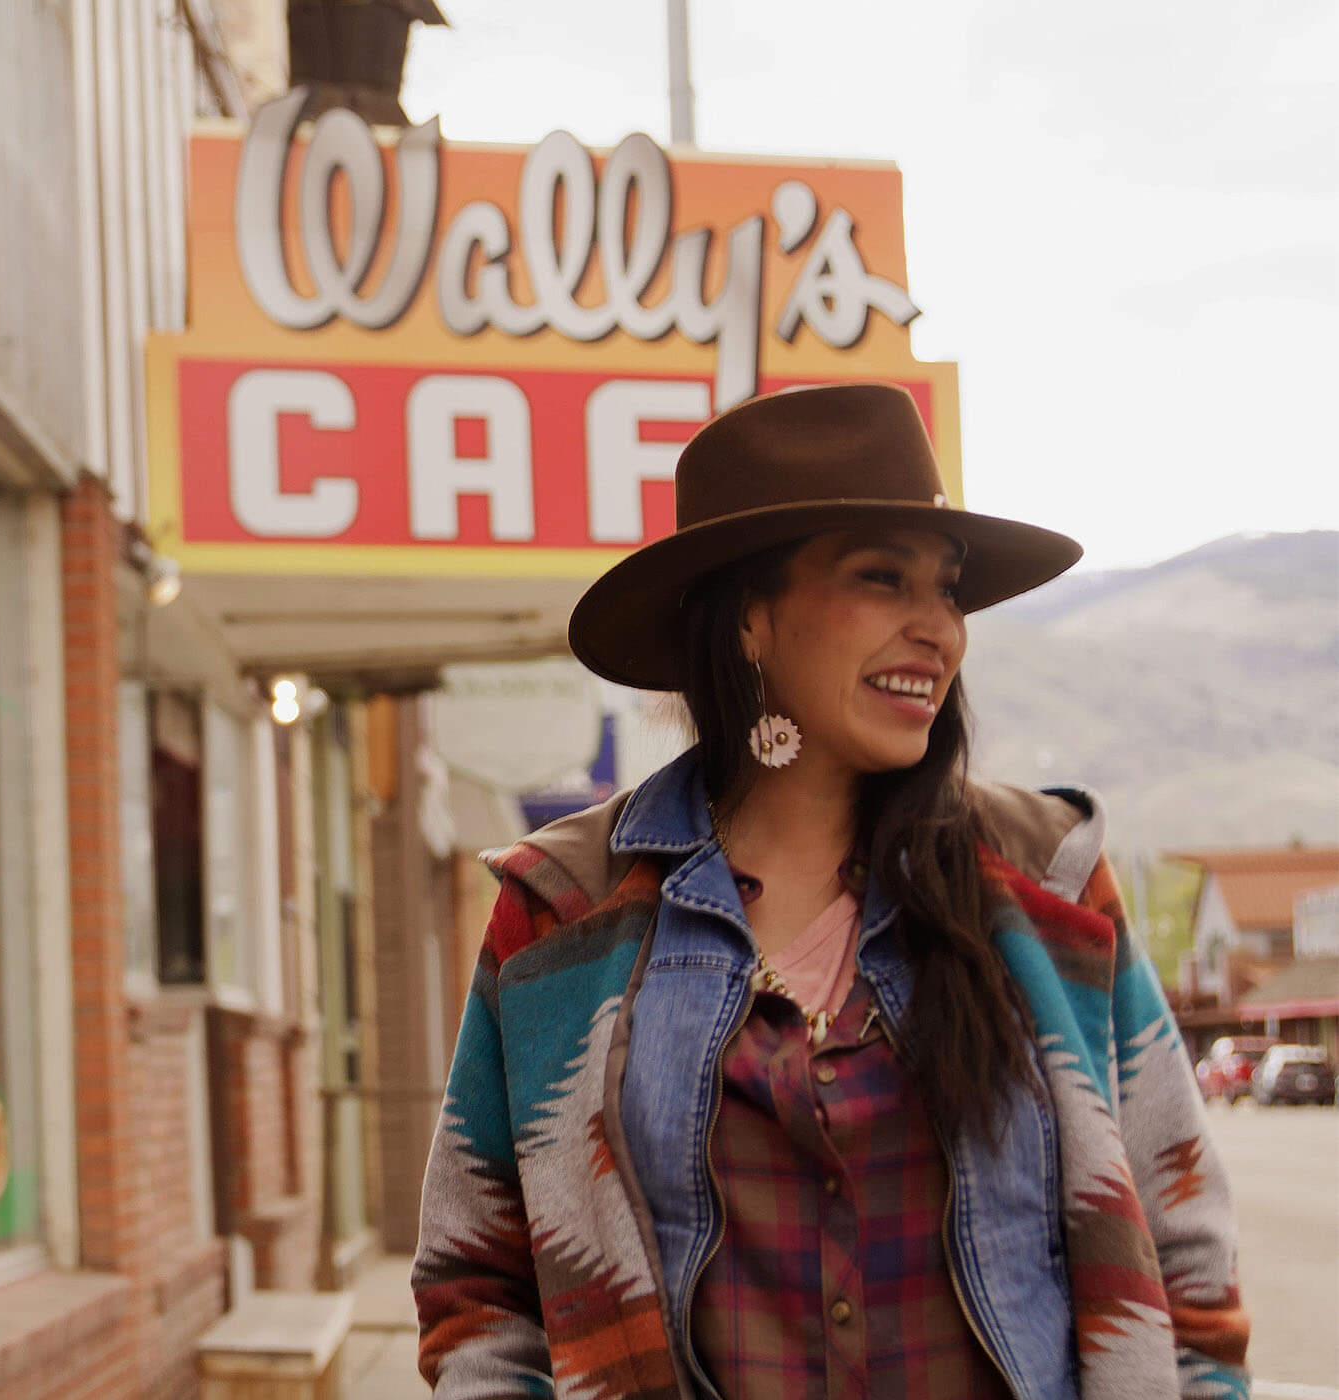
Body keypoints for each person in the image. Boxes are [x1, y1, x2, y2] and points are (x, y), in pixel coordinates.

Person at [413, 384, 1248, 1399]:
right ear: (750, 617)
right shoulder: (564, 915)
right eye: (881, 577)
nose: (936, 627)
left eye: (947, 588)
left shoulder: (1044, 886)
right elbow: (477, 1282)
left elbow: (1186, 1251)